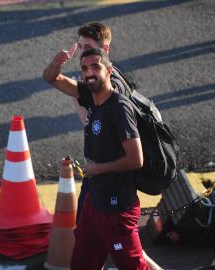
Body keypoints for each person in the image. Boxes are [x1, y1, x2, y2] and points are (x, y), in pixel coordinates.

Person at [43, 47, 150, 269]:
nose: (88, 72)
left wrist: (97, 169)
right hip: (95, 202)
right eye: (84, 68)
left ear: (109, 70)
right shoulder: (90, 95)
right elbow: (51, 78)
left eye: (95, 66)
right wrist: (58, 61)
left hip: (117, 209)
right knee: (82, 262)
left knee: (132, 265)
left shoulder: (119, 108)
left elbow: (135, 159)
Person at [70, 22, 163, 270]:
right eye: (80, 47)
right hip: (97, 192)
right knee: (89, 248)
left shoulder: (114, 95)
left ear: (105, 50)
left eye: (88, 47)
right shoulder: (92, 83)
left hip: (113, 194)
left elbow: (133, 157)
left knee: (128, 256)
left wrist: (97, 169)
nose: (82, 52)